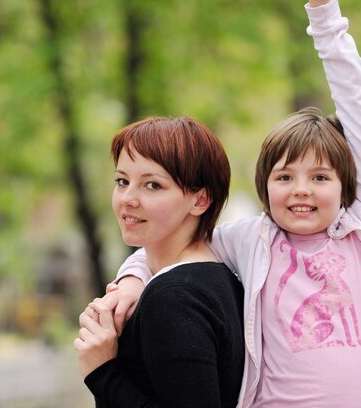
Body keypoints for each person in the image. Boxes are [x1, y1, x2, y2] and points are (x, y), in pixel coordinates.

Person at [106, 0, 361, 407]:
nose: (301, 189)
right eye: (284, 176)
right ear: (265, 187)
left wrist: (325, 16)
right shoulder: (250, 240)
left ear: (345, 186)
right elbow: (171, 244)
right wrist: (131, 280)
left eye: (319, 177)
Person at [73, 116, 245, 408]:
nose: (128, 198)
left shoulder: (174, 297)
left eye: (152, 185)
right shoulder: (219, 278)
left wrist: (102, 372)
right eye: (122, 181)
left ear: (200, 200)